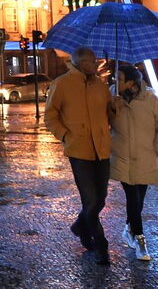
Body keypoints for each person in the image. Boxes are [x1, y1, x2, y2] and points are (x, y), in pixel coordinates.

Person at [44, 47, 114, 265]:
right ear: (82, 62)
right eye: (93, 61)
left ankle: (79, 226)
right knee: (91, 199)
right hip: (79, 149)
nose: (96, 64)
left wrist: (115, 107)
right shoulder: (62, 84)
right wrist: (65, 135)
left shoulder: (101, 86)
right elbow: (51, 115)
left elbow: (109, 115)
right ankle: (101, 246)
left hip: (101, 149)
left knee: (100, 199)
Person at [109, 64, 158, 261]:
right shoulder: (111, 97)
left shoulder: (151, 99)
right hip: (122, 156)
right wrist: (112, 109)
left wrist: (157, 149)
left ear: (131, 82)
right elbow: (102, 123)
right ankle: (140, 240)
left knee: (139, 200)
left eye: (119, 79)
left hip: (146, 156)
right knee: (133, 199)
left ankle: (129, 229)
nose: (115, 82)